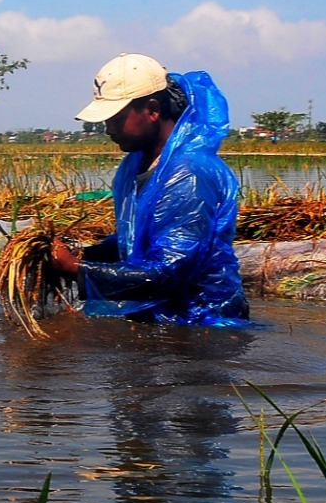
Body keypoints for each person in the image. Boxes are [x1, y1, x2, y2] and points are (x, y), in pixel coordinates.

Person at [50, 54, 248, 325]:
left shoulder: (189, 174)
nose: (108, 129)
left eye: (116, 119)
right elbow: (135, 240)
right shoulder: (137, 163)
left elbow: (169, 273)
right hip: (158, 315)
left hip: (201, 323)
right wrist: (81, 254)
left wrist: (76, 269)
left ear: (153, 110)